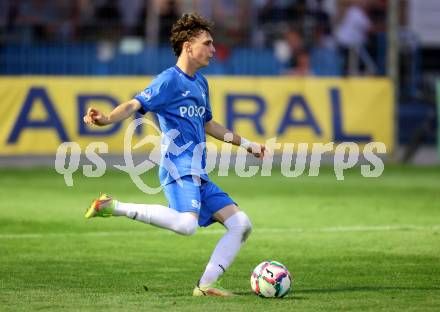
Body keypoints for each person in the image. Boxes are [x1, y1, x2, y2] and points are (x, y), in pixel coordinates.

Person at [83, 12, 266, 297]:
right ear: (187, 46)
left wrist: (248, 144)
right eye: (207, 43)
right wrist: (107, 118)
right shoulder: (168, 80)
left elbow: (208, 124)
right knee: (187, 225)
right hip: (177, 164)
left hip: (197, 171)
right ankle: (112, 206)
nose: (213, 49)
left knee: (241, 225)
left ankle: (206, 286)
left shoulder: (201, 83)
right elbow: (135, 104)